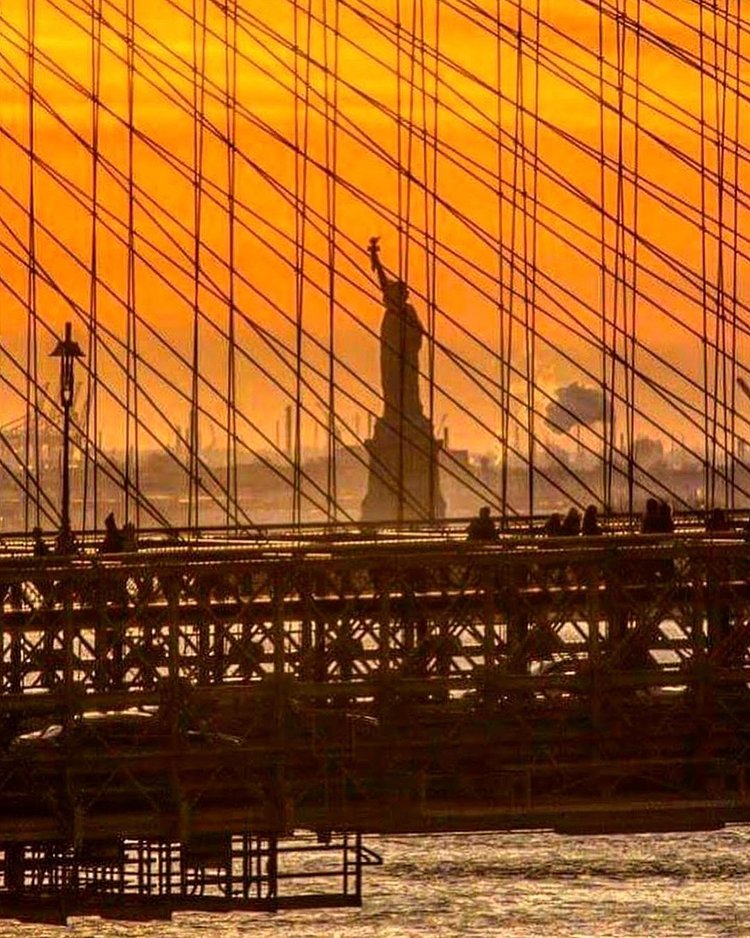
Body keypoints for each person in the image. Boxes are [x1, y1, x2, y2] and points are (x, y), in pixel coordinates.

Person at [368, 236, 425, 421]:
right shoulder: (392, 314)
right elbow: (384, 285)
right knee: (391, 386)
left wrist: (410, 337)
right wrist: (376, 260)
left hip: (406, 361)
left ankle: (409, 414)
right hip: (391, 359)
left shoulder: (407, 312)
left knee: (408, 389)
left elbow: (418, 334)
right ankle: (394, 413)